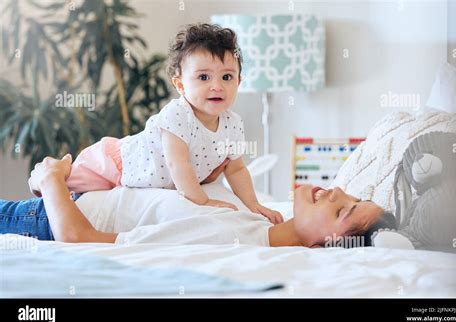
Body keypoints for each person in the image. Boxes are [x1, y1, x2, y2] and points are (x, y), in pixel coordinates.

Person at [33, 23, 283, 225]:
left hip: (141, 175)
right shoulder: (177, 115)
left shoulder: (233, 124)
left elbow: (236, 169)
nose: (216, 85)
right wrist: (202, 201)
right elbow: (178, 163)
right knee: (68, 185)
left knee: (86, 199)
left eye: (227, 76)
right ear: (180, 85)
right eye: (204, 77)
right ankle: (44, 174)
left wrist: (254, 205)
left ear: (239, 82)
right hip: (118, 163)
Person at [0, 155, 385, 248]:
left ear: (323, 246)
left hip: (42, 220)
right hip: (60, 203)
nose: (335, 192)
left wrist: (51, 180)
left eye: (340, 209)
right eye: (349, 196)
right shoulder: (259, 221)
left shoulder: (229, 239)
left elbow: (76, 238)